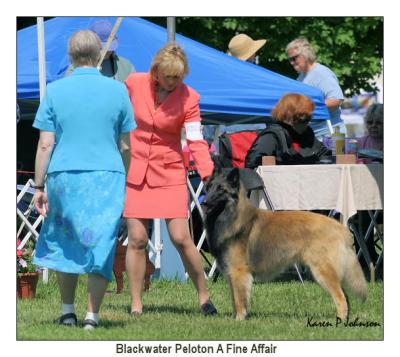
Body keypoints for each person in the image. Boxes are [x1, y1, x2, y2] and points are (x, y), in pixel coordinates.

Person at [32, 30, 135, 329]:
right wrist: (123, 177)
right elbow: (126, 145)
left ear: (71, 56)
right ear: (98, 54)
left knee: (67, 242)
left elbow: (45, 144)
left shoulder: (55, 90)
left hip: (65, 177)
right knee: (100, 244)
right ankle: (92, 316)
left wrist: (39, 186)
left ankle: (67, 311)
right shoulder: (118, 91)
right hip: (107, 176)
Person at [124, 43, 217, 316]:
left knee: (180, 237)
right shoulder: (133, 84)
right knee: (137, 238)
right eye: (169, 76)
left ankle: (204, 296)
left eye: (179, 77)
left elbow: (196, 140)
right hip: (136, 171)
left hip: (170, 172)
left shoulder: (189, 98)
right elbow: (113, 108)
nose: (174, 82)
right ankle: (136, 304)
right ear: (156, 72)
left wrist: (207, 172)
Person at [203, 33, 268, 146]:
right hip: (258, 138)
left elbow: (210, 121)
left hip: (230, 141)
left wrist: (205, 142)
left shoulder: (222, 82)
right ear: (251, 55)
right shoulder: (262, 80)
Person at [245, 93, 331, 168]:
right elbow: (253, 164)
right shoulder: (272, 135)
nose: (309, 119)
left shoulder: (307, 133)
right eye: (306, 116)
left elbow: (323, 152)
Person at [286, 37, 344, 124]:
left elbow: (335, 100)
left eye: (294, 58)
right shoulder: (301, 77)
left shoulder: (321, 73)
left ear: (305, 54)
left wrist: (305, 107)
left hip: (329, 133)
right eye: (290, 59)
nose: (291, 62)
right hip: (313, 133)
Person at [66, 20, 135, 82]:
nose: (107, 52)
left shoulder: (126, 66)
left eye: (110, 48)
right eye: (102, 48)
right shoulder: (76, 69)